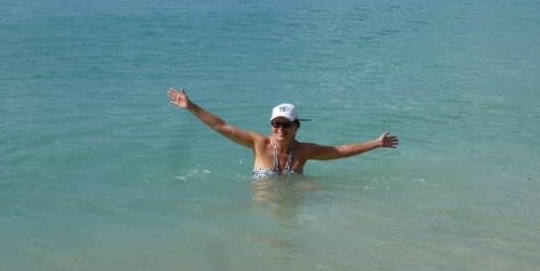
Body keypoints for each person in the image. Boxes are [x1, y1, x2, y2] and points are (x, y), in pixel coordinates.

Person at [167, 87, 399, 179]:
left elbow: (340, 151)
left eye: (286, 124)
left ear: (296, 127)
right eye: (276, 124)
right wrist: (191, 107)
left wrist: (376, 143)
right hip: (262, 211)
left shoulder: (304, 151)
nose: (280, 129)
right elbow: (222, 126)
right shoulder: (259, 143)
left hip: (291, 208)